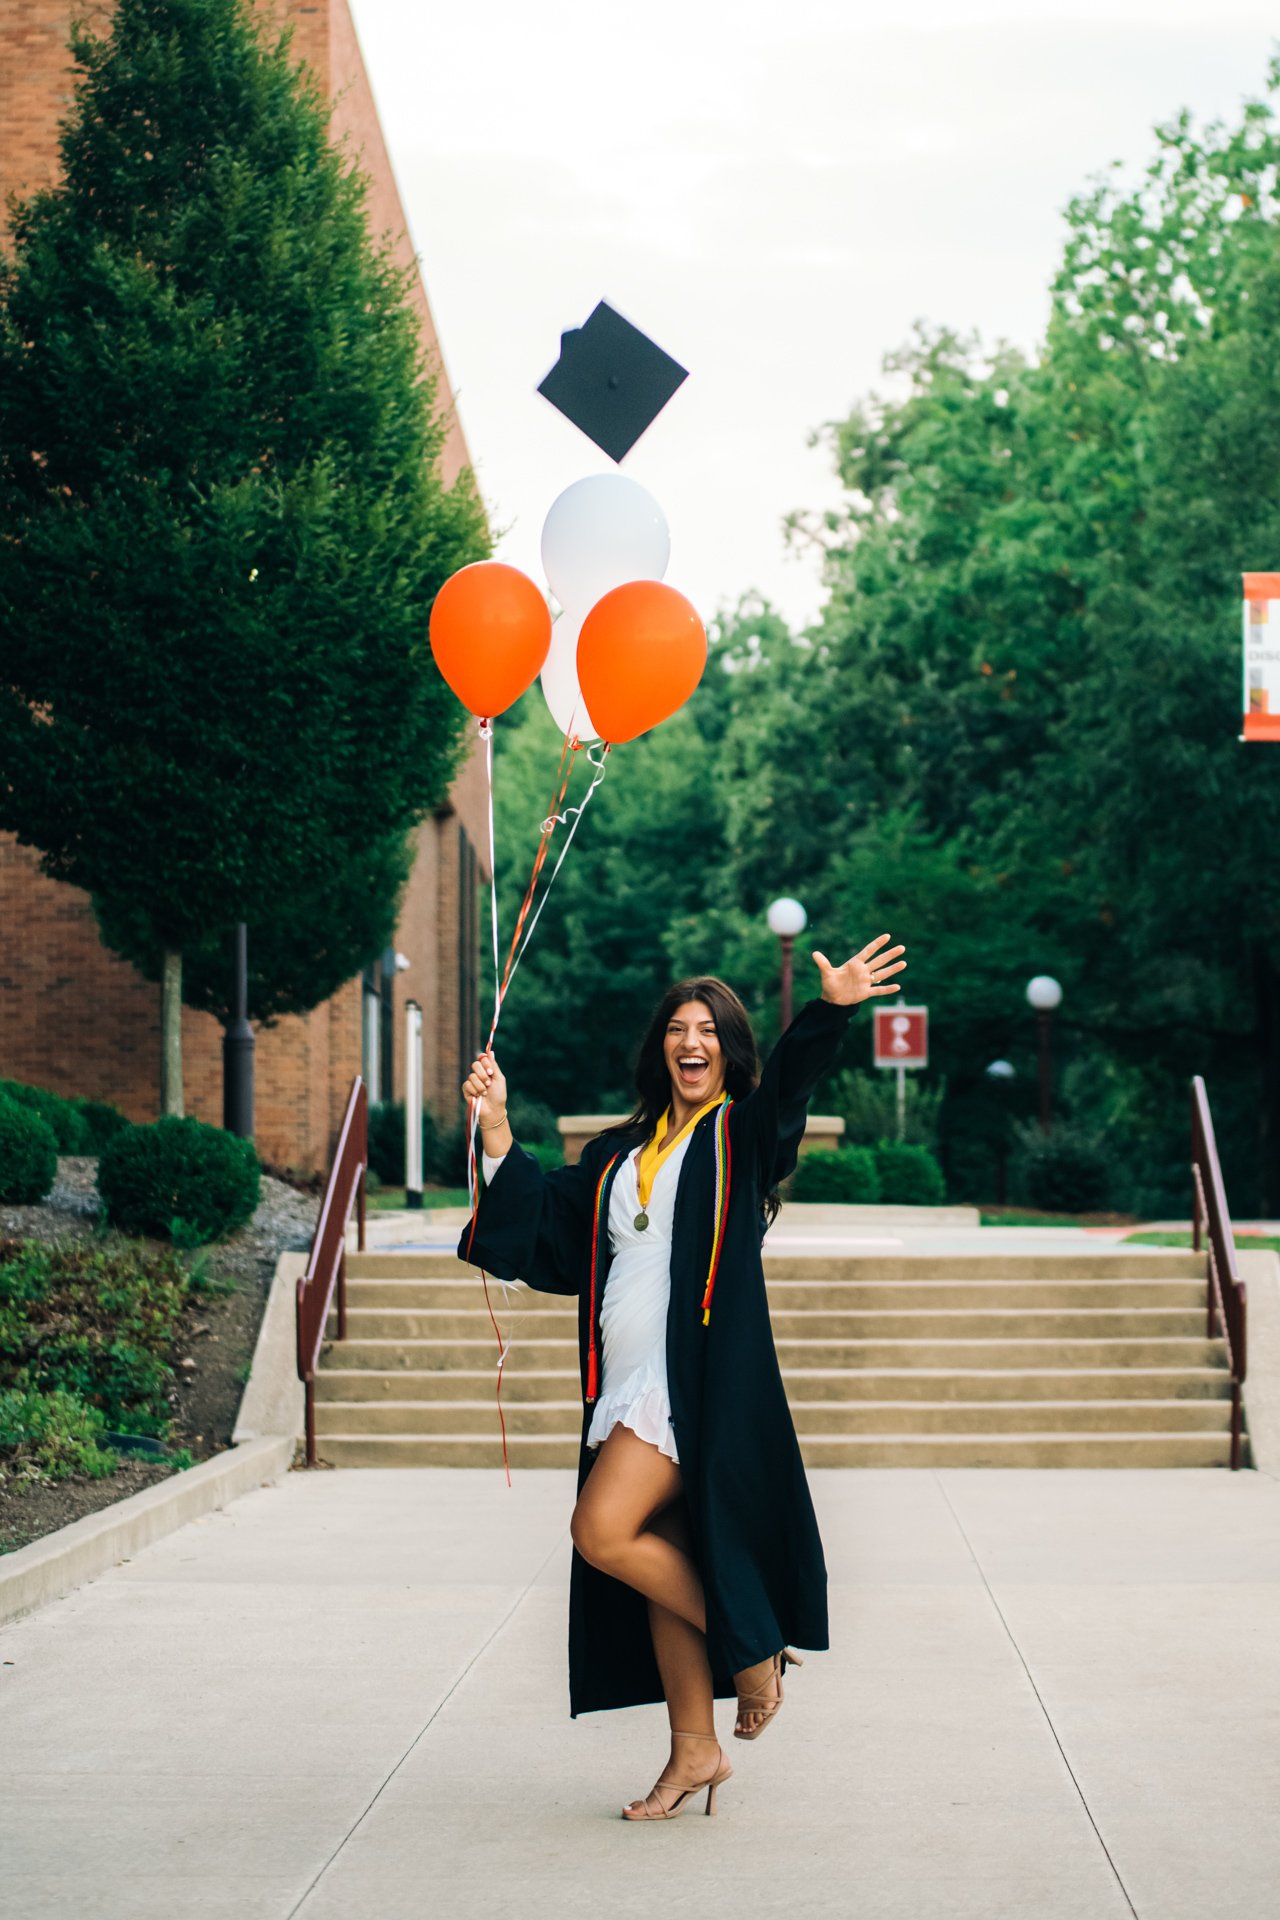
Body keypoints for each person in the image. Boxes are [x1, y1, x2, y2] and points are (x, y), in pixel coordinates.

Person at [459, 934, 907, 1821]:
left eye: (707, 1030)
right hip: (622, 1379)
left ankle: (754, 1646)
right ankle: (693, 1753)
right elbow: (546, 1227)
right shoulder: (623, 1151)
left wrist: (831, 1011)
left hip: (688, 1382)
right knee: (654, 1556)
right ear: (659, 1047)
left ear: (727, 1050)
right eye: (676, 1028)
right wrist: (499, 1126)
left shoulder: (735, 1139)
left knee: (602, 1530)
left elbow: (786, 1095)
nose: (690, 1040)